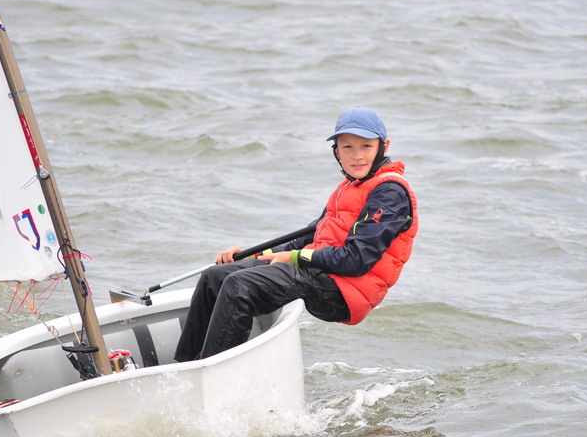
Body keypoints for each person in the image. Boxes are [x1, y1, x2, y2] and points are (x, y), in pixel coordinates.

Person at [174, 106, 419, 362]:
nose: (357, 155)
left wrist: (294, 258)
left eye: (366, 146)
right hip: (322, 271)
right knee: (214, 277)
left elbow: (356, 260)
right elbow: (308, 238)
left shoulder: (389, 193)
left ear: (383, 147)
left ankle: (213, 370)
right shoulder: (349, 187)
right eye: (348, 147)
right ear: (337, 151)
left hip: (346, 289)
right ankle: (185, 365)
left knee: (240, 286)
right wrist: (251, 256)